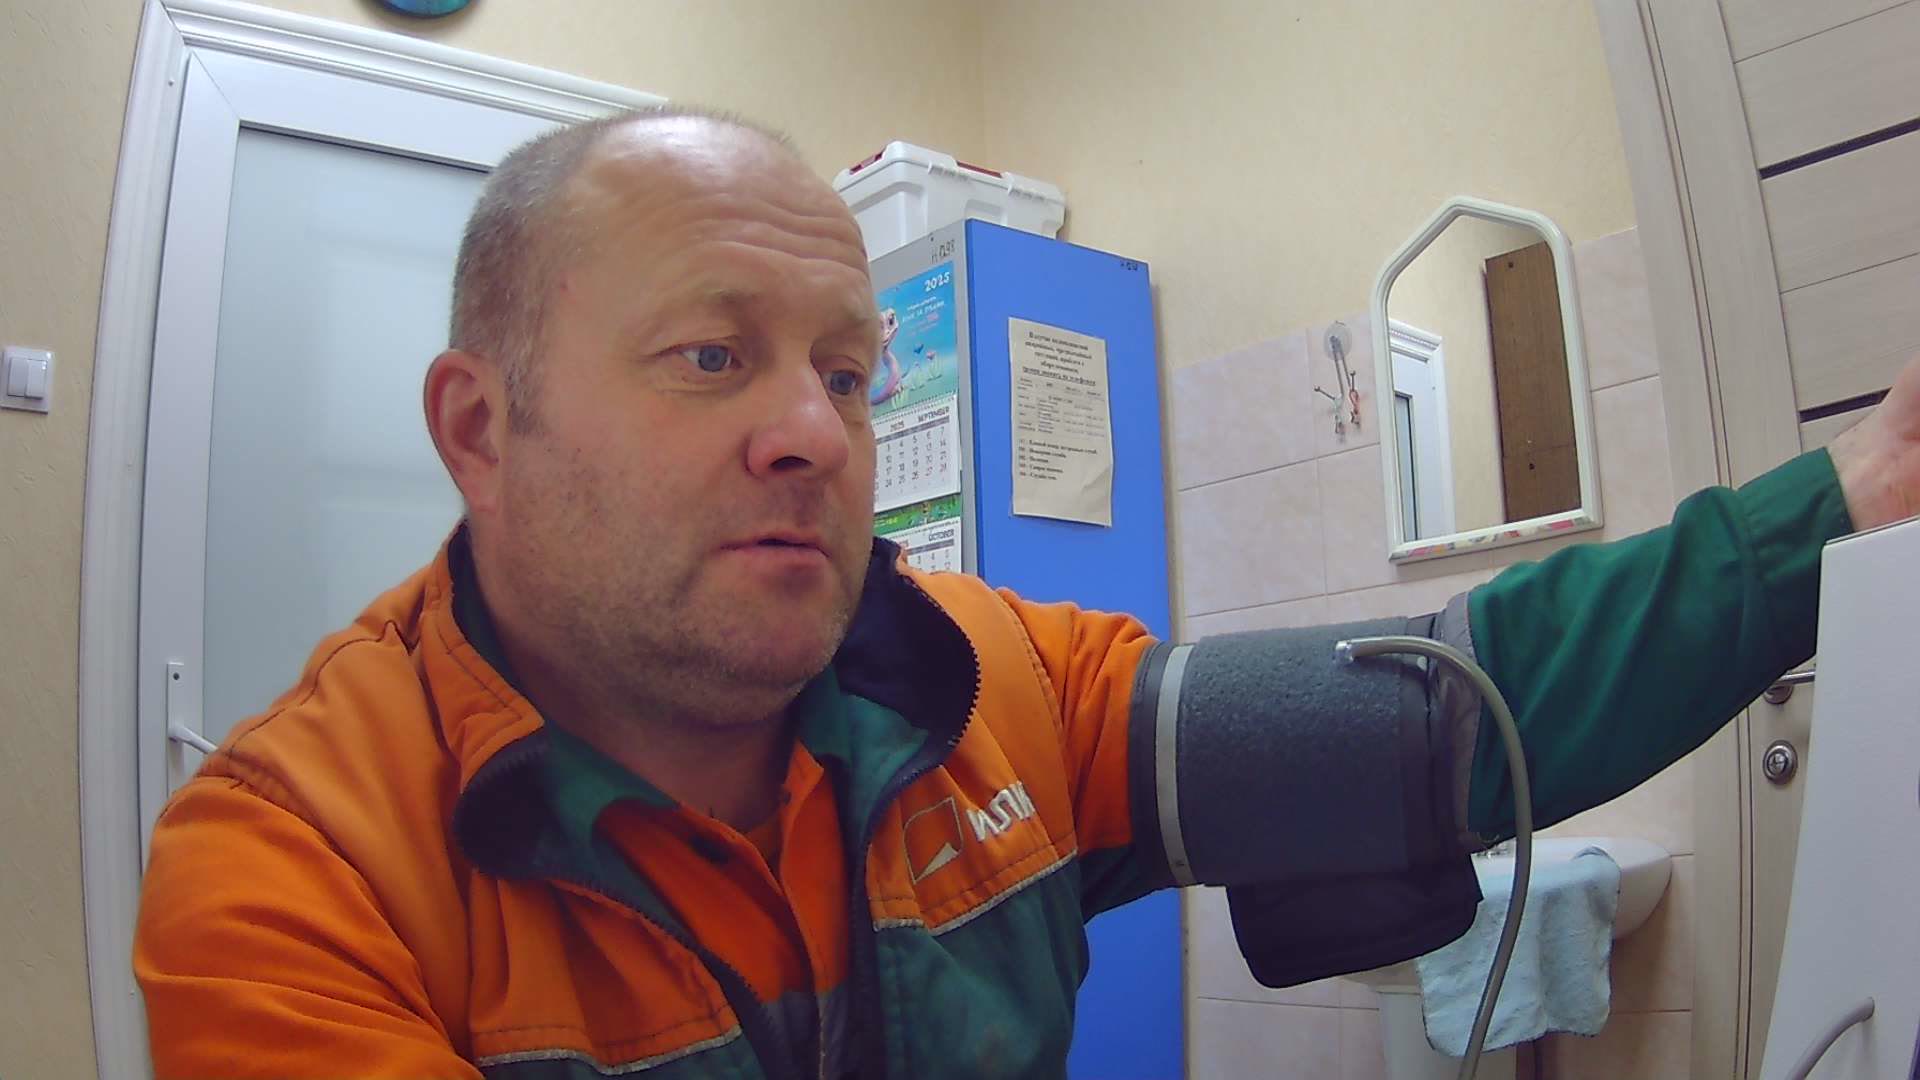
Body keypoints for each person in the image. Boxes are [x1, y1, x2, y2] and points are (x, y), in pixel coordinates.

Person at [134, 105, 1920, 1079]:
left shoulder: (988, 675)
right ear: (482, 428)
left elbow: (1436, 714)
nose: (814, 433)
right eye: (710, 356)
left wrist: (1844, 504)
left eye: (848, 373)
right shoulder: (297, 870)